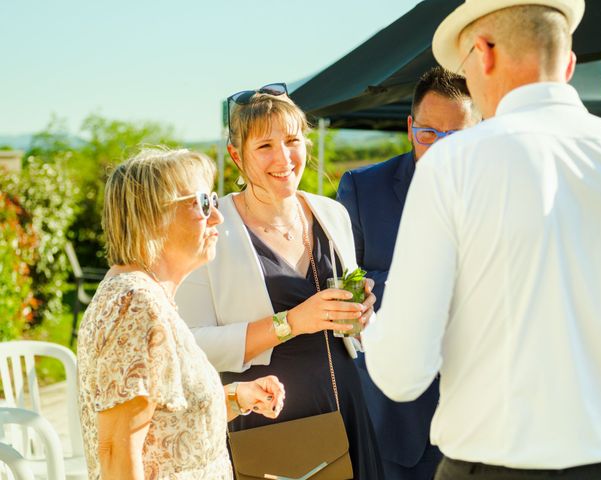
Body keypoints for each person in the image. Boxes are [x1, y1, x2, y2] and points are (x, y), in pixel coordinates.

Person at [363, 0, 601, 479]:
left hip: (492, 466)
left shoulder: (451, 165)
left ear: (485, 52)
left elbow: (403, 375)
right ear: (569, 64)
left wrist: (367, 325)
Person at [176, 85, 385, 479]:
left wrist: (363, 316)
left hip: (346, 410)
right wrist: (291, 322)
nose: (284, 158)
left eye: (292, 141)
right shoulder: (213, 228)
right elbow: (192, 345)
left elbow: (351, 332)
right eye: (265, 146)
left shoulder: (331, 213)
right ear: (236, 156)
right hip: (269, 426)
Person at [77, 148, 285, 480]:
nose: (217, 216)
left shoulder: (150, 297)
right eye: (203, 203)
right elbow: (117, 453)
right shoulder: (134, 303)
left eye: (215, 200)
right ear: (153, 215)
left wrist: (232, 396)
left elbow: (164, 426)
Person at [336, 66, 478, 480]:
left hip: (483, 419)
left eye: (457, 137)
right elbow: (348, 293)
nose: (439, 149)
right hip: (396, 423)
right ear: (410, 126)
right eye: (428, 134)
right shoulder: (363, 189)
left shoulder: (503, 190)